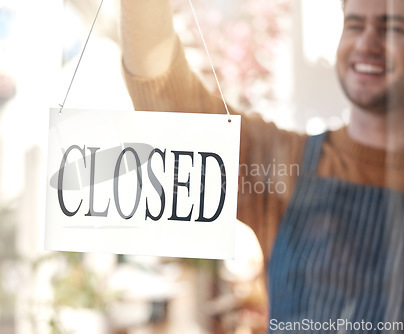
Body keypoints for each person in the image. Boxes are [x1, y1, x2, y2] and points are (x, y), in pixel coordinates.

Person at [120, 0, 404, 332]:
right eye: (354, 25)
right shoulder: (284, 161)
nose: (366, 43)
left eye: (393, 28)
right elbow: (169, 101)